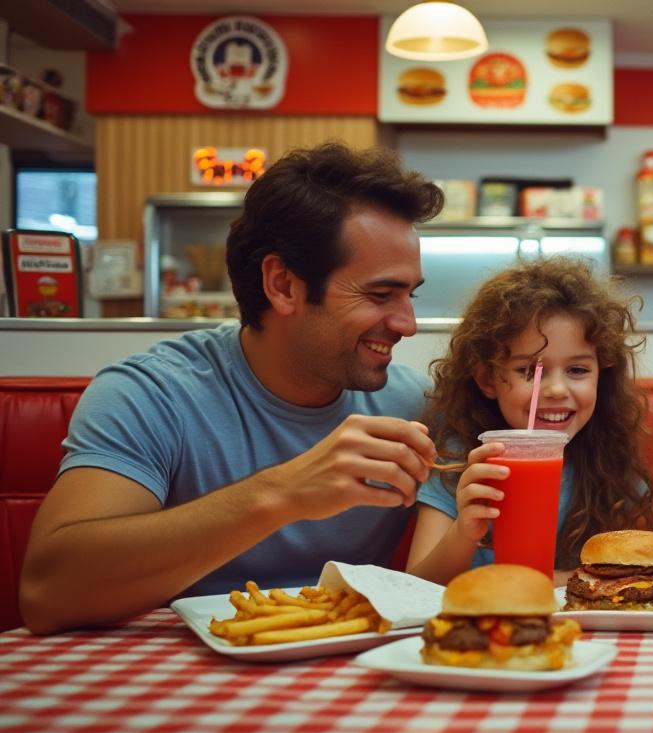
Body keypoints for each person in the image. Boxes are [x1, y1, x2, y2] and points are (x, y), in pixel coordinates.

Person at [20, 143, 445, 634]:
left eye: (409, 295)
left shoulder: (414, 408)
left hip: (361, 679)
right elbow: (47, 592)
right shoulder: (153, 394)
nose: (407, 324)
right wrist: (281, 493)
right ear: (283, 285)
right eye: (379, 294)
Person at [411, 257, 653, 582]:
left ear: (602, 376)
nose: (556, 389)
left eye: (578, 370)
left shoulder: (611, 462)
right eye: (530, 371)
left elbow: (635, 576)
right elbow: (415, 584)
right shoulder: (461, 462)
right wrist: (464, 532)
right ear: (487, 379)